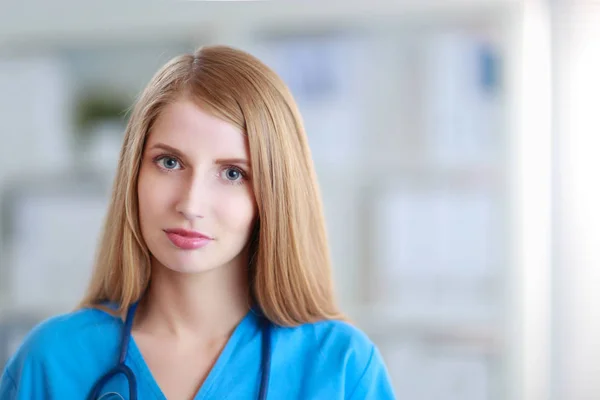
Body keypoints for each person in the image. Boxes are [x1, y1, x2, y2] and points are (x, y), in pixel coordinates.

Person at [0, 45, 396, 399]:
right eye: (169, 162)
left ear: (273, 196)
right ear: (133, 175)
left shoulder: (340, 368)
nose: (191, 203)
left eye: (233, 173)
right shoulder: (52, 361)